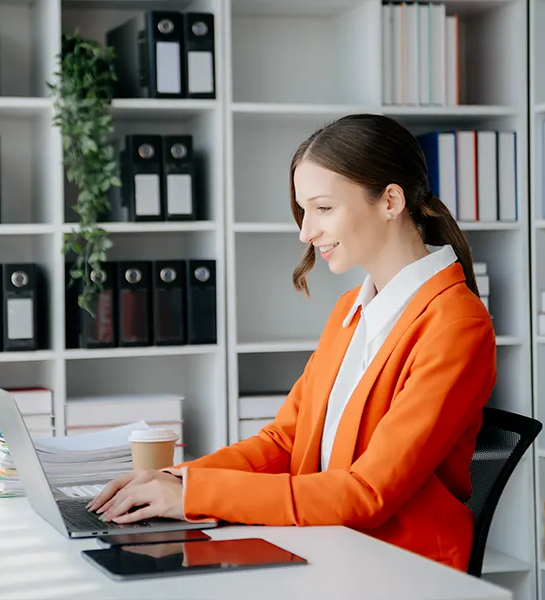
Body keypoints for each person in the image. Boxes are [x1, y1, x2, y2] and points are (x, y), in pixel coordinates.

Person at [87, 113, 497, 572]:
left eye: (323, 209)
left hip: (399, 567)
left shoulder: (456, 324)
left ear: (390, 201)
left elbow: (367, 492)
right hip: (323, 545)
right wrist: (173, 479)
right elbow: (284, 442)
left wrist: (192, 496)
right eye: (304, 211)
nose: (306, 232)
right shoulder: (350, 309)